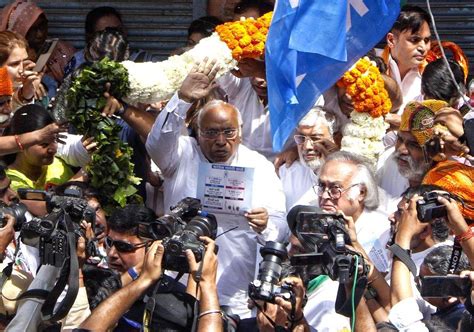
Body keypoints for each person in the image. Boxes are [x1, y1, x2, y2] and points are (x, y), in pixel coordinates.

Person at [142, 60, 288, 318]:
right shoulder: (182, 153)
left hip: (236, 294)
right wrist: (183, 98)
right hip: (179, 287)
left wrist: (266, 223)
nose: (221, 141)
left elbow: (280, 226)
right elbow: (156, 143)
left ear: (240, 132)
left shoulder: (259, 166)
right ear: (197, 132)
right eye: (211, 133)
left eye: (228, 132)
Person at [318, 151, 391, 273]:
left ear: (361, 193)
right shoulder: (313, 220)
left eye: (335, 188)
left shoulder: (382, 232)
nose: (325, 195)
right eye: (321, 186)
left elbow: (378, 281)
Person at [0, 0, 76, 100]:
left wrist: (25, 94)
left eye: (42, 26)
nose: (39, 34)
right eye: (32, 29)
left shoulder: (61, 50)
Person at [279, 106, 337, 209]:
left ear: (333, 140)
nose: (307, 147)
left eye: (316, 139)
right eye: (301, 139)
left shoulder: (349, 176)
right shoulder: (287, 173)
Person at [379, 5, 431, 111]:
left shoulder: (432, 76)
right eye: (414, 40)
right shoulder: (369, 65)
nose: (423, 48)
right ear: (391, 40)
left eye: (426, 41)